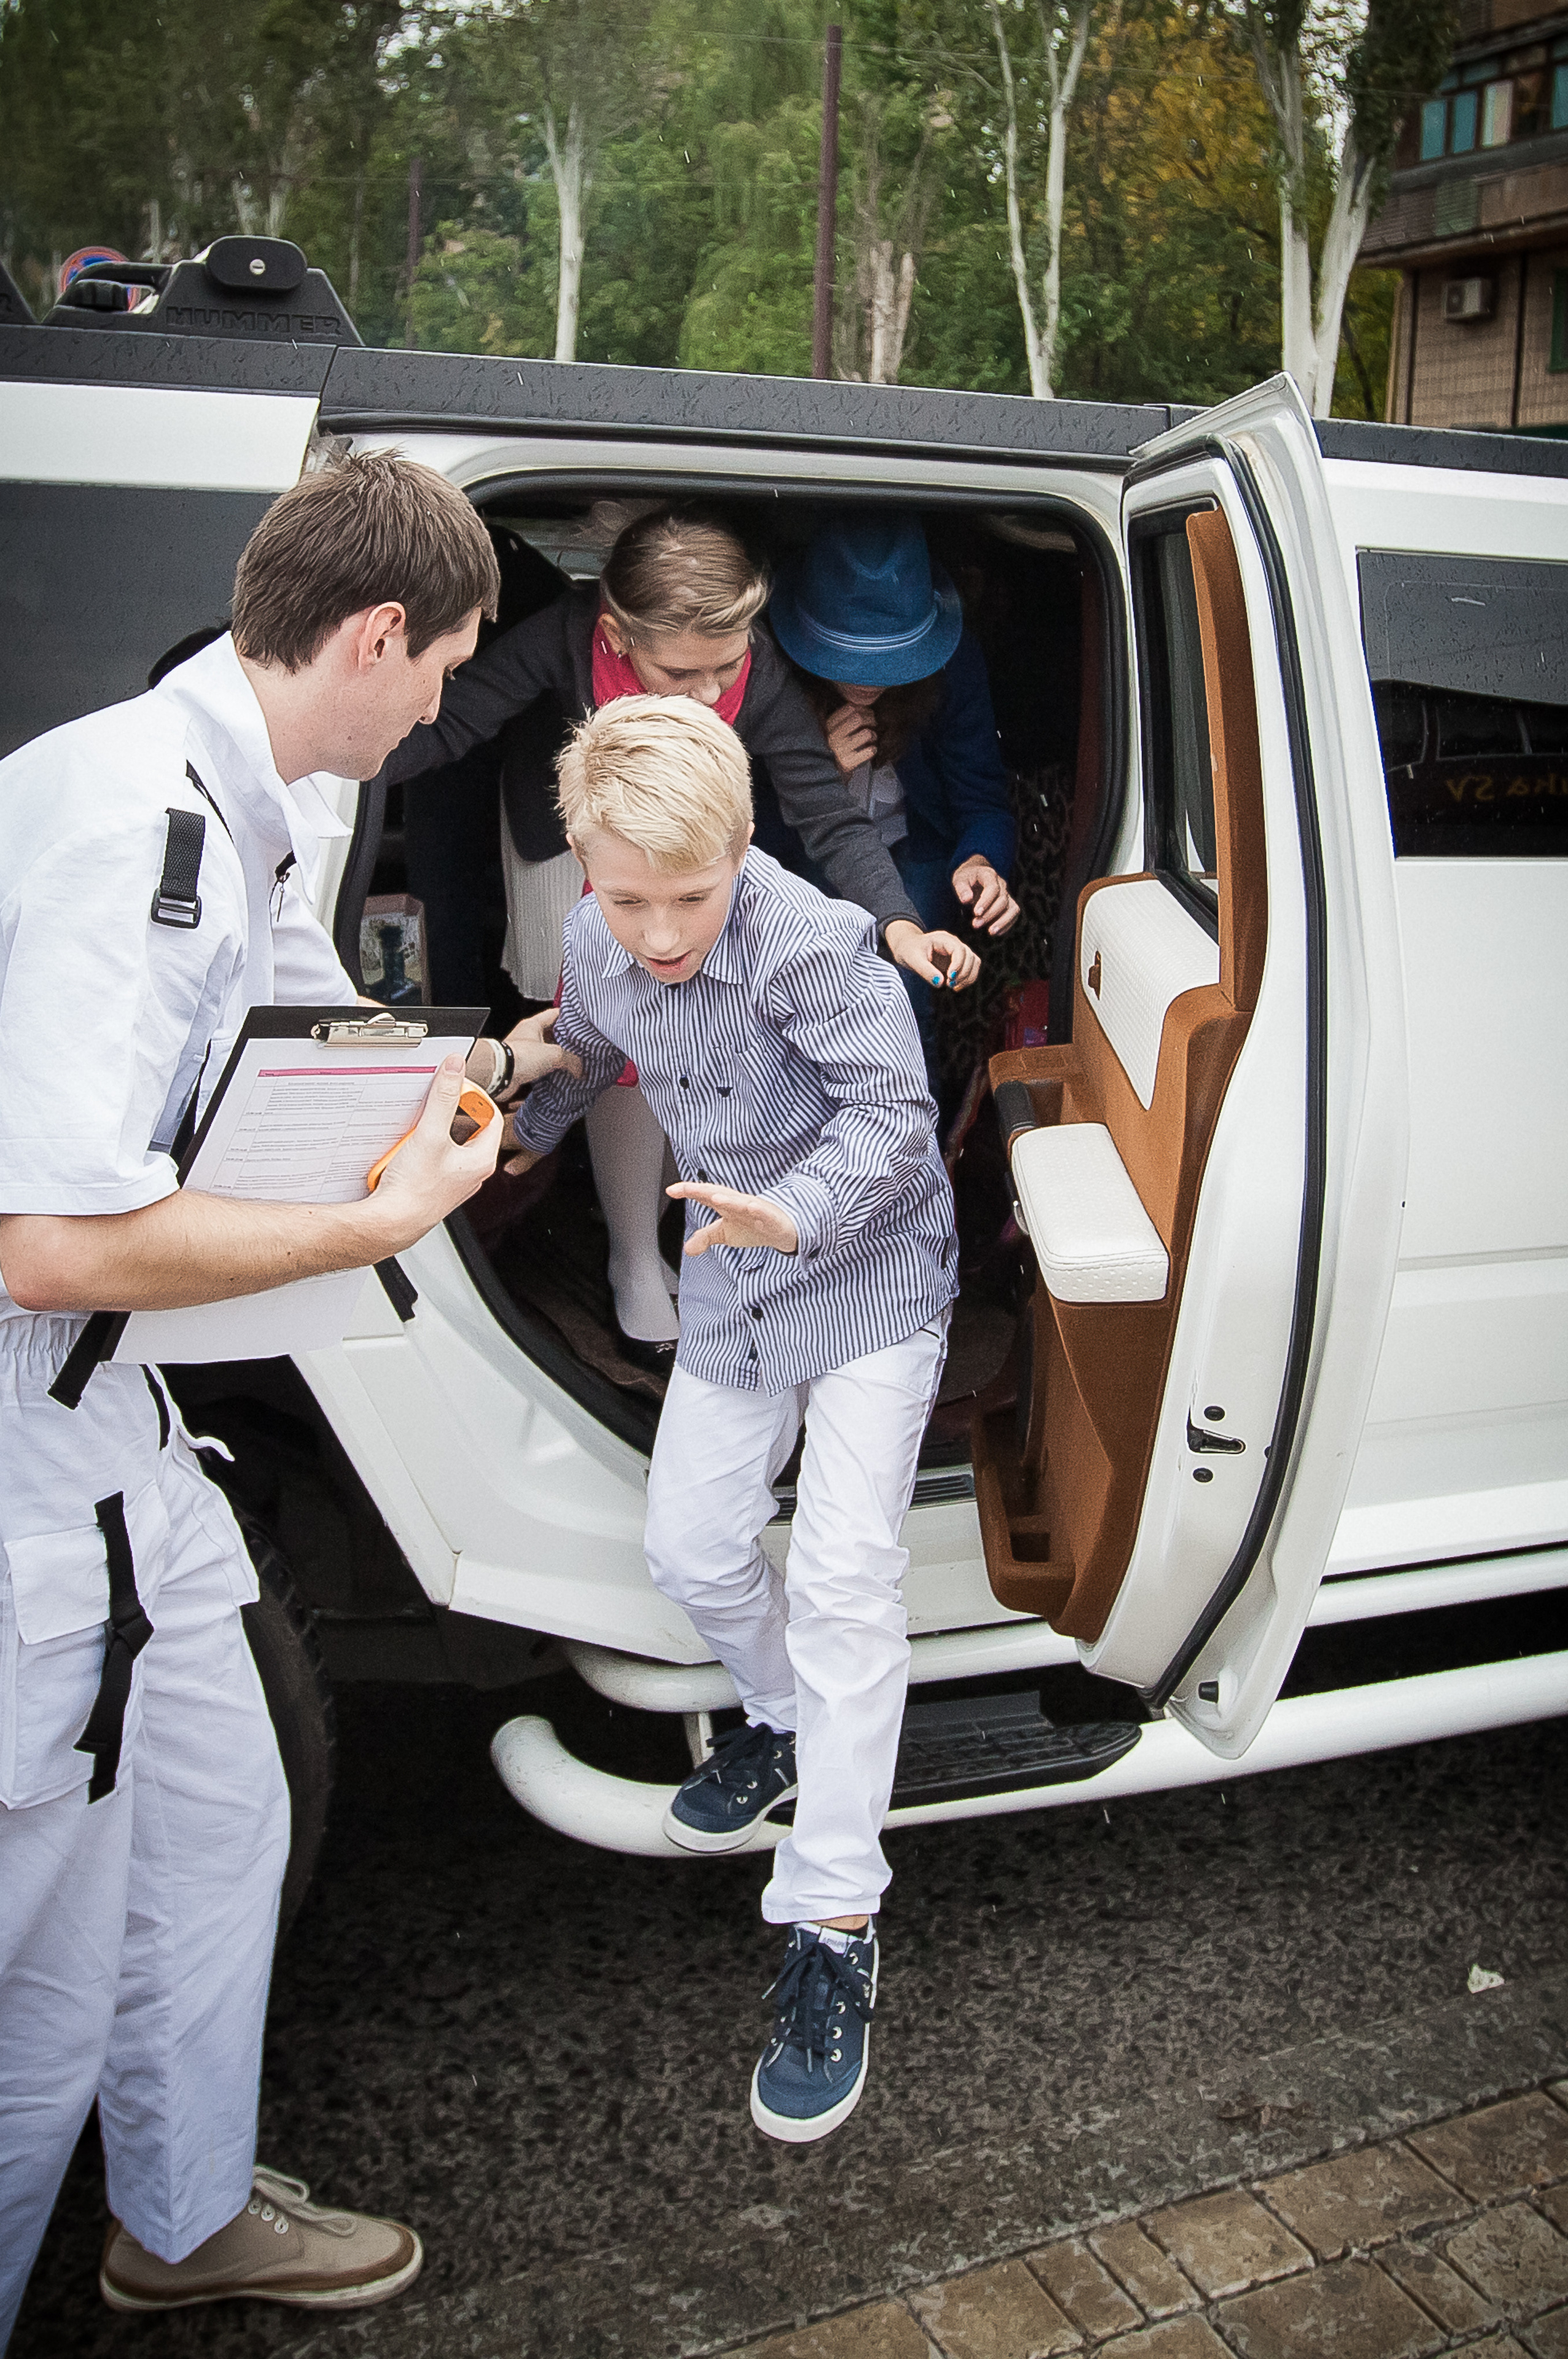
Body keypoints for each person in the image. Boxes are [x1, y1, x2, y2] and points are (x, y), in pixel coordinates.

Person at [0, 449, 574, 2342]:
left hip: (117, 1441)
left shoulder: (227, 805)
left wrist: (489, 1071)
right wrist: (370, 1228)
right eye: (440, 672)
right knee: (44, 1976)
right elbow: (50, 1241)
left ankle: (176, 2211)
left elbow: (326, 1049)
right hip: (26, 1464)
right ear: (381, 630)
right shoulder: (144, 839)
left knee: (226, 1810)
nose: (437, 713)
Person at [504, 695, 958, 2143]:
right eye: (622, 896)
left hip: (873, 1278)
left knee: (836, 1579)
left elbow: (892, 1121)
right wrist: (485, 1130)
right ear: (584, 868)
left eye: (684, 897)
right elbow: (579, 1051)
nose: (651, 931)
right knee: (692, 1552)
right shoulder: (597, 940)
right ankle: (770, 1714)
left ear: (743, 845)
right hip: (733, 1289)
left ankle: (832, 1913)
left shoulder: (817, 945)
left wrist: (796, 1209)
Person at [384, 503, 978, 1368]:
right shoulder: (564, 637)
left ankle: (675, 1238)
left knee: (687, 1037)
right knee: (609, 1042)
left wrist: (899, 923)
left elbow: (826, 813)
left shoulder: (761, 674)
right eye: (680, 673)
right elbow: (454, 724)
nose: (707, 694)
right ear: (617, 637)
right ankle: (633, 1255)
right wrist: (323, 764)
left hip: (690, 867)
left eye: (723, 668)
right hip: (578, 851)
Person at [768, 515, 1021, 1079]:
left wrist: (981, 862)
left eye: (886, 659)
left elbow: (983, 801)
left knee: (907, 993)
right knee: (798, 996)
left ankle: (913, 1148)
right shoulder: (770, 673)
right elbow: (740, 834)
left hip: (917, 844)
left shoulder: (954, 668)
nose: (866, 676)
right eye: (850, 657)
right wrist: (817, 772)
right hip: (797, 849)